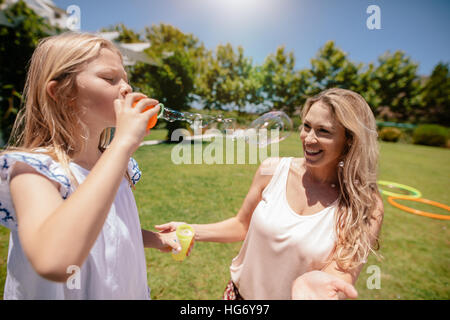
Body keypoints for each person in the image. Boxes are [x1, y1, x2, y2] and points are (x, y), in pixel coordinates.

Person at [0, 32, 181, 299]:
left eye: (126, 80)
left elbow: (106, 230)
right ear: (61, 92)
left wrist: (154, 239)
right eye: (110, 79)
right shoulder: (33, 171)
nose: (126, 88)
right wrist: (121, 145)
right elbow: (53, 259)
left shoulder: (117, 167)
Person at [157, 88, 384, 300]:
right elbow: (241, 225)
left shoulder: (366, 204)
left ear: (349, 140)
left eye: (323, 131)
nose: (309, 138)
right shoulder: (272, 170)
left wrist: (323, 287)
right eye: (306, 126)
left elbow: (342, 274)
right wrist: (190, 230)